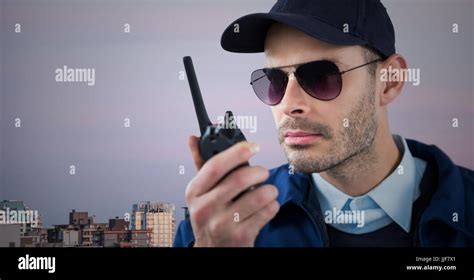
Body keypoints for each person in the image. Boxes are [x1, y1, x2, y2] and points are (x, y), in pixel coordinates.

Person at [174, 0, 474, 247]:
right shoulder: (213, 229)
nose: (289, 104)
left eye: (321, 77)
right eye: (274, 80)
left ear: (388, 82)